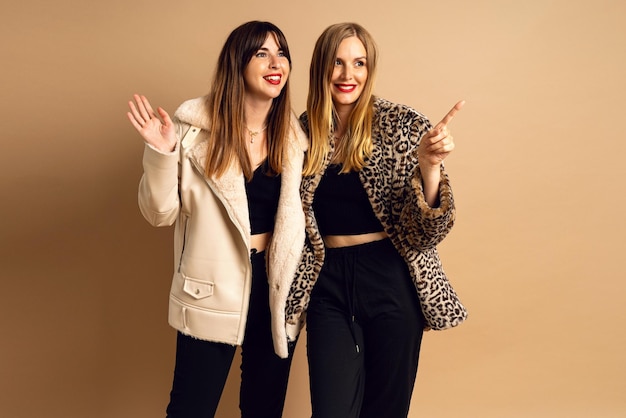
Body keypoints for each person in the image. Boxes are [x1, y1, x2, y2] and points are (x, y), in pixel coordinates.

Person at [284, 22, 468, 418]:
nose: (348, 75)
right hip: (327, 281)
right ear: (321, 68)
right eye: (337, 62)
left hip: (389, 277)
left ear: (370, 70)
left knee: (386, 410)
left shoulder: (403, 125)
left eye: (359, 63)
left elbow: (426, 234)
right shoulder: (299, 134)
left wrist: (430, 167)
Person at [126, 21, 307, 418]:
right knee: (191, 407)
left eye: (282, 53)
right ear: (237, 63)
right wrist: (162, 153)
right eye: (261, 53)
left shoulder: (295, 140)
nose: (275, 62)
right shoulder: (192, 133)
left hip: (275, 288)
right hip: (210, 289)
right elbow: (160, 213)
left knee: (264, 409)